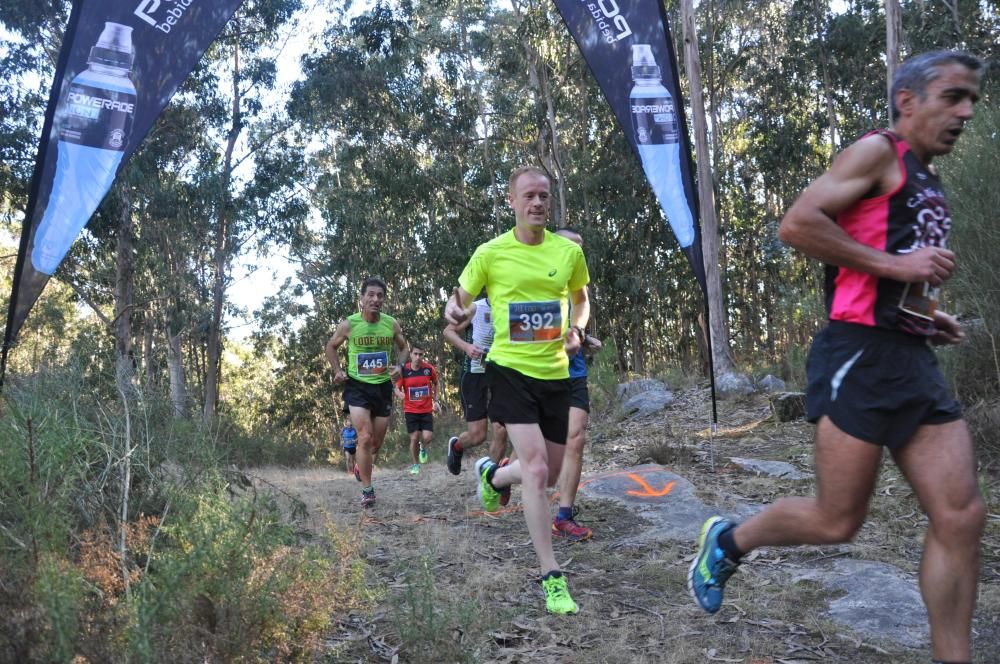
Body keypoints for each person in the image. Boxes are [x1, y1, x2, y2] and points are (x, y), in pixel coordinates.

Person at [688, 51, 984, 664]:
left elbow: (896, 273)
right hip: (858, 356)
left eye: (972, 99)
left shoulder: (928, 178)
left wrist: (930, 313)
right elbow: (797, 225)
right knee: (835, 520)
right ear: (909, 101)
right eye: (954, 96)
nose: (966, 110)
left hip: (912, 358)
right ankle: (731, 541)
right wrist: (898, 265)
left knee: (960, 516)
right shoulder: (878, 152)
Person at [445, 165, 590, 615]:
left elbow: (581, 300)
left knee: (543, 470)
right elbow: (458, 300)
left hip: (556, 373)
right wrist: (454, 310)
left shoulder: (567, 253)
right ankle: (551, 575)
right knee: (538, 468)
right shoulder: (491, 253)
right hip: (508, 370)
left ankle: (491, 474)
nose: (538, 203)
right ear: (511, 202)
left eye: (544, 196)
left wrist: (577, 330)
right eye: (529, 196)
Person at [326, 277, 409, 507]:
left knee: (376, 444)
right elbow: (331, 346)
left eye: (380, 296)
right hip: (357, 386)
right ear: (362, 298)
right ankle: (367, 489)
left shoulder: (391, 324)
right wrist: (337, 370)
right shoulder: (349, 324)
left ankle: (360, 467)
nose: (375, 299)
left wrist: (399, 367)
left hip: (382, 386)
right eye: (370, 295)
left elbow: (404, 348)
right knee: (365, 436)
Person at [550, 227, 603, 542]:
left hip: (574, 373)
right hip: (540, 372)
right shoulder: (538, 277)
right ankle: (498, 474)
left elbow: (573, 325)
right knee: (541, 458)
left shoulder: (578, 287)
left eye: (581, 248)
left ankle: (564, 516)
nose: (577, 252)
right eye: (572, 246)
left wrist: (582, 338)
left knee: (576, 438)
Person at [443, 297, 509, 475]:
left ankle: (490, 479)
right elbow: (448, 331)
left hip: (501, 376)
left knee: (501, 430)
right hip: (474, 375)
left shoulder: (512, 307)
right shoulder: (476, 308)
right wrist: (466, 347)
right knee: (478, 436)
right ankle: (457, 446)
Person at [393, 342, 441, 475]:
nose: (418, 357)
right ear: (411, 355)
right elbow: (396, 387)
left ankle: (423, 448)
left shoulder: (429, 369)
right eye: (415, 354)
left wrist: (436, 401)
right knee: (413, 438)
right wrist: (399, 393)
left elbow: (437, 384)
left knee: (427, 438)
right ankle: (415, 465)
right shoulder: (405, 371)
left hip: (426, 410)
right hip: (411, 410)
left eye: (420, 354)